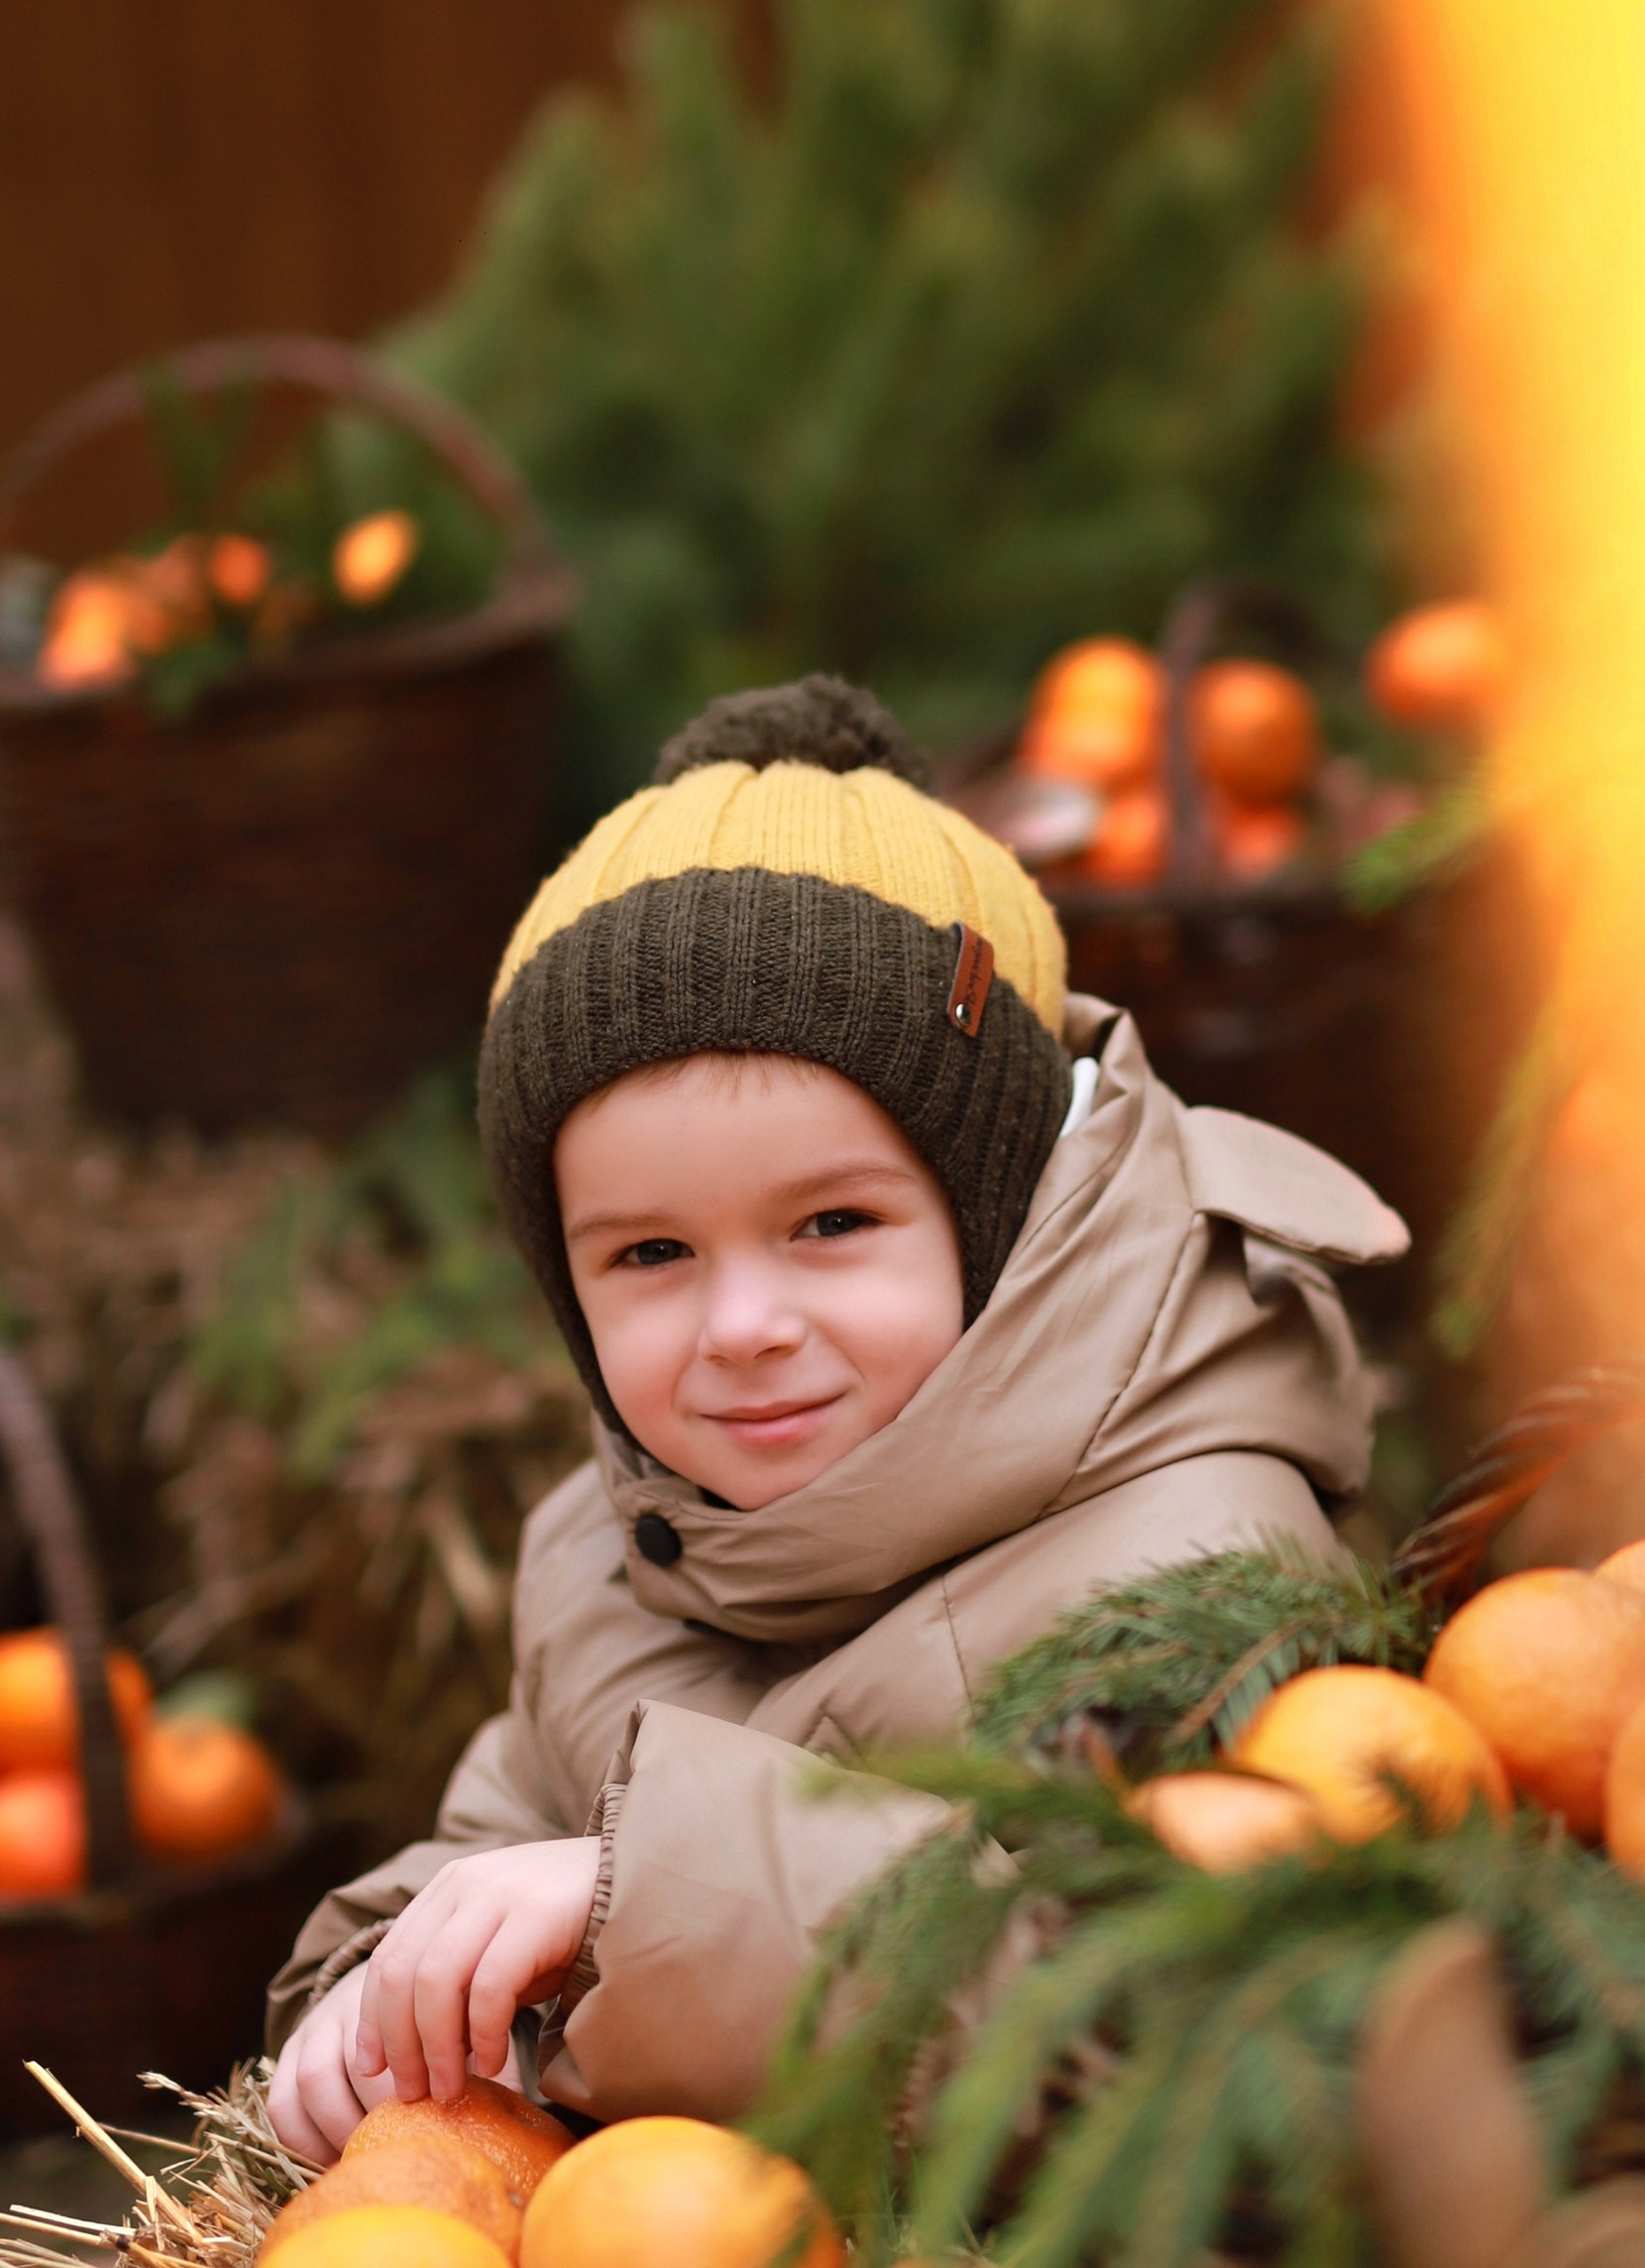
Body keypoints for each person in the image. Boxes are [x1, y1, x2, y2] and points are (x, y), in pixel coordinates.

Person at [266, 674, 1402, 2158]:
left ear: (994, 1216)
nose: (743, 1327)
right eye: (651, 1254)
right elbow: (494, 1842)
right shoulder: (609, 1553)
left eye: (832, 1224)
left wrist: (638, 1900)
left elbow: (1165, 2024)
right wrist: (387, 1986)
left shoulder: (1196, 1577)